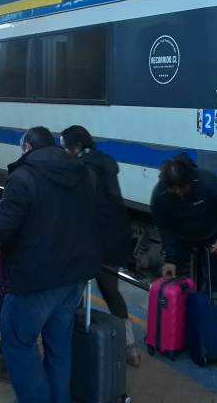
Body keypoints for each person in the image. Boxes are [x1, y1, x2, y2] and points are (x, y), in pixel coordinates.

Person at [0, 127, 101, 403]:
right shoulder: (82, 172)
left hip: (35, 280)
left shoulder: (24, 177)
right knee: (59, 348)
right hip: (74, 278)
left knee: (19, 345)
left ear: (28, 148)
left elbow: (3, 228)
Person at [60, 125, 139, 367]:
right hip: (114, 238)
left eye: (64, 147)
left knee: (75, 293)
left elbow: (84, 209)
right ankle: (130, 348)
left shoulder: (82, 168)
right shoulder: (105, 163)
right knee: (112, 293)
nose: (63, 152)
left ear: (76, 147)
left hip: (91, 243)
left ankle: (73, 346)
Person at [150, 154, 217, 285]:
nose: (178, 192)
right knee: (175, 278)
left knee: (214, 280)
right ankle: (181, 302)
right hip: (181, 239)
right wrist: (170, 259)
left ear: (190, 180)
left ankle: (212, 302)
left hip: (210, 235)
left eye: (182, 187)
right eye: (173, 189)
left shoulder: (207, 181)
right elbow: (164, 228)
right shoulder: (159, 195)